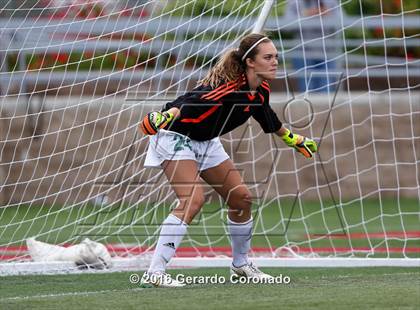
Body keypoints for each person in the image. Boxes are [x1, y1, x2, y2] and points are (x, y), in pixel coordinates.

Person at [139, 33, 317, 287]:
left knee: (241, 198)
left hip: (206, 141)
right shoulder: (227, 87)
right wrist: (163, 115)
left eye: (276, 56)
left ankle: (241, 265)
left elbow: (267, 117)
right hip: (175, 136)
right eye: (268, 57)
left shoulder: (259, 90)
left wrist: (293, 139)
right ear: (250, 62)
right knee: (192, 200)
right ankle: (155, 272)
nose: (275, 61)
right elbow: (190, 101)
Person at [285, 0, 341, 93]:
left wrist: (327, 14)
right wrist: (307, 14)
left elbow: (343, 21)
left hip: (327, 53)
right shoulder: (294, 3)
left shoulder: (331, 2)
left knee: (326, 92)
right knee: (307, 91)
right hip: (303, 54)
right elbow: (286, 26)